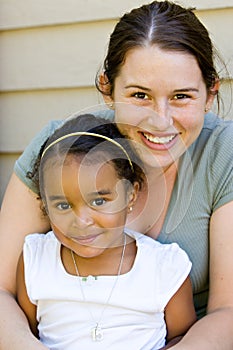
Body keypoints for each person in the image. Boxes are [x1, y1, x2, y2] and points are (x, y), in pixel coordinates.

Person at [0, 1, 233, 349]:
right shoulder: (62, 148)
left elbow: (227, 312)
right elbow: (1, 288)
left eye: (181, 96)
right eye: (140, 95)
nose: (160, 120)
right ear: (107, 88)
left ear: (210, 93)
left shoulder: (223, 153)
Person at [16, 114, 196, 349]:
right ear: (45, 205)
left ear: (130, 194)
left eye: (99, 202)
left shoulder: (164, 266)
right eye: (62, 205)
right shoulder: (36, 260)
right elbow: (26, 335)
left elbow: (183, 338)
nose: (81, 220)